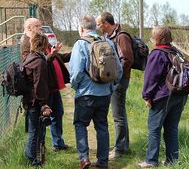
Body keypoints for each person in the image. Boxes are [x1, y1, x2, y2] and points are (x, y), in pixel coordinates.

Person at [69, 14, 122, 169]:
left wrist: (75, 85)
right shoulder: (107, 42)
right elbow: (118, 69)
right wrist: (111, 86)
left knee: (80, 124)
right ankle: (103, 161)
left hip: (85, 93)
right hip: (105, 93)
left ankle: (84, 158)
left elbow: (77, 71)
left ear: (81, 28)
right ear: (95, 27)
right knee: (102, 126)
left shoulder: (80, 44)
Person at [138, 26, 188, 168]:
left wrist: (147, 96)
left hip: (164, 97)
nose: (151, 39)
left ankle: (151, 161)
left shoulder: (157, 54)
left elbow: (150, 78)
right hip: (180, 95)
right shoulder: (176, 51)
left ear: (158, 39)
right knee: (172, 128)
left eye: (152, 37)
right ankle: (172, 161)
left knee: (154, 128)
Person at [20, 18, 70, 151]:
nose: (41, 27)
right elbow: (33, 65)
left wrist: (65, 53)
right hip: (42, 89)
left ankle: (58, 143)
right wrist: (51, 56)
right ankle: (38, 152)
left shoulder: (41, 39)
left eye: (41, 25)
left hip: (52, 86)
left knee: (58, 113)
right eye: (37, 26)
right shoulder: (27, 42)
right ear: (29, 28)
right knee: (42, 121)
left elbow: (52, 58)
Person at [96, 12, 134, 159]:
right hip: (116, 80)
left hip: (120, 80)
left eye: (99, 24)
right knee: (119, 114)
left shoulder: (121, 37)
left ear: (106, 23)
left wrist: (117, 77)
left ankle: (119, 149)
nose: (99, 27)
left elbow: (127, 59)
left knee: (118, 115)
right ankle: (123, 145)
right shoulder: (110, 37)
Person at [23, 32, 52, 166]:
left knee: (34, 130)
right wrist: (44, 104)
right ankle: (34, 160)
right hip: (36, 102)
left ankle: (32, 157)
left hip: (29, 100)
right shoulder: (39, 61)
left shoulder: (30, 57)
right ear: (44, 45)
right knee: (36, 131)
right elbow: (39, 84)